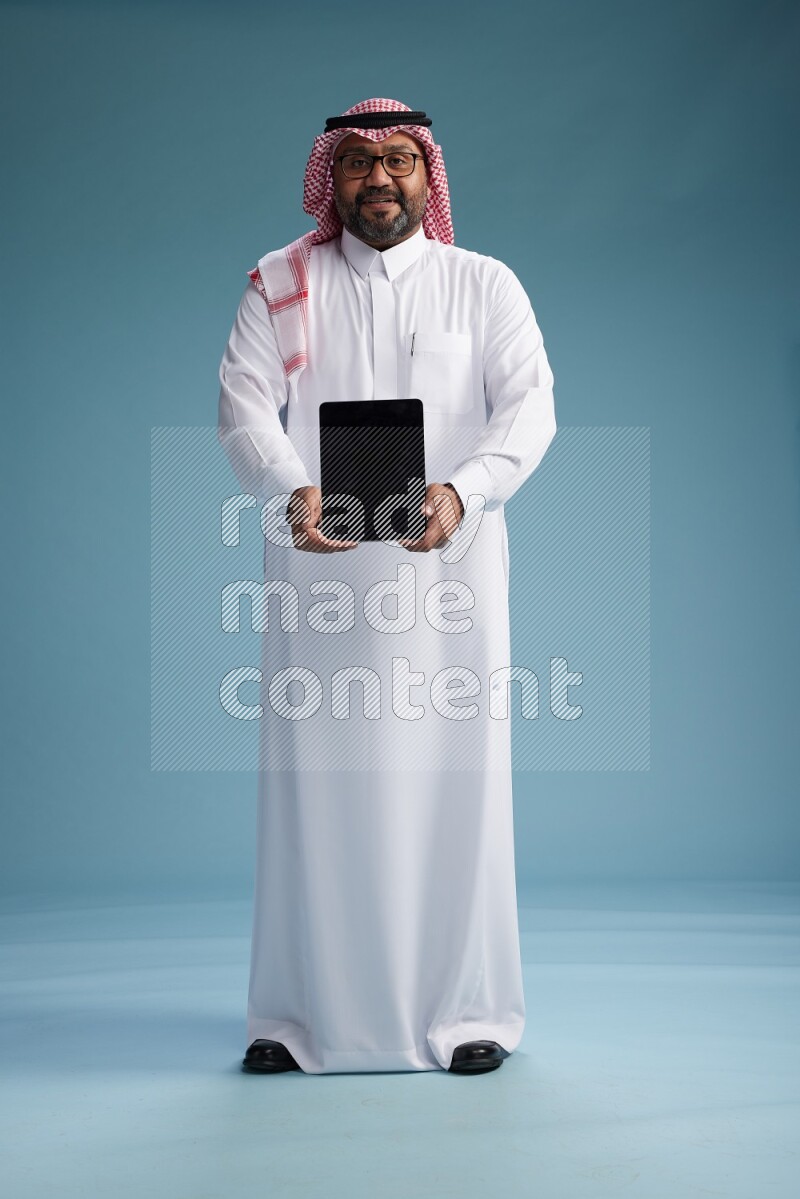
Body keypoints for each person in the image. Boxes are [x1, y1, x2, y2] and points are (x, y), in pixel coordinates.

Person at [217, 97, 557, 1076]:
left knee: (456, 788)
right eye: (360, 162)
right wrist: (291, 488)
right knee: (314, 794)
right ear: (334, 176)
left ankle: (469, 1010)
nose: (379, 179)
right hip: (319, 580)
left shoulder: (481, 285)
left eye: (399, 161)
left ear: (427, 175)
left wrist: (465, 489)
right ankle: (293, 1018)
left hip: (446, 583)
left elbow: (528, 410)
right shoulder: (280, 283)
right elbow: (243, 405)